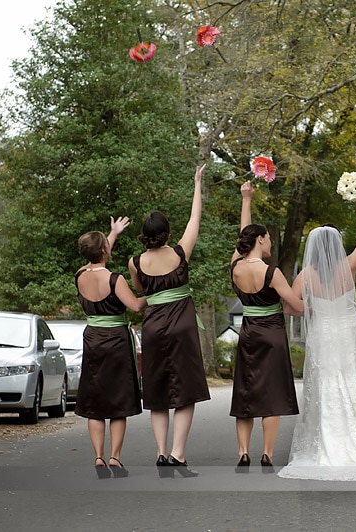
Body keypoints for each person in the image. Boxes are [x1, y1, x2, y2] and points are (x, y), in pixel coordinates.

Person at [278, 194, 356, 481]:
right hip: (348, 331)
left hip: (323, 332)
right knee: (355, 381)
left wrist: (313, 308)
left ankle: (326, 443)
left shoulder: (305, 276)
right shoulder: (348, 266)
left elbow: (291, 307)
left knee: (326, 385)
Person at [128, 164, 210, 478]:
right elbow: (195, 219)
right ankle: (178, 453)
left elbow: (141, 292)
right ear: (167, 231)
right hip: (183, 325)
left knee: (158, 392)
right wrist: (197, 182)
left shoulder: (135, 262)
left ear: (144, 235)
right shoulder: (180, 253)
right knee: (186, 392)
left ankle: (161, 453)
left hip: (153, 328)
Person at [229, 181, 304, 473]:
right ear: (260, 239)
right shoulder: (271, 273)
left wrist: (246, 200)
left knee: (246, 391)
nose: (271, 242)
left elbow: (242, 235)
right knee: (271, 395)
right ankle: (267, 454)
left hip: (248, 333)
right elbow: (294, 305)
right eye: (269, 238)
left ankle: (243, 451)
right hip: (272, 333)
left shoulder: (236, 266)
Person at [75, 217, 147, 479]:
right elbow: (136, 306)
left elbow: (98, 259)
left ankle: (98, 456)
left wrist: (112, 234)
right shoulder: (115, 279)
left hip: (92, 338)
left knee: (95, 400)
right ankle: (115, 457)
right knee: (117, 400)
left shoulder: (80, 275)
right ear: (105, 250)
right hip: (115, 339)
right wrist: (157, 290)